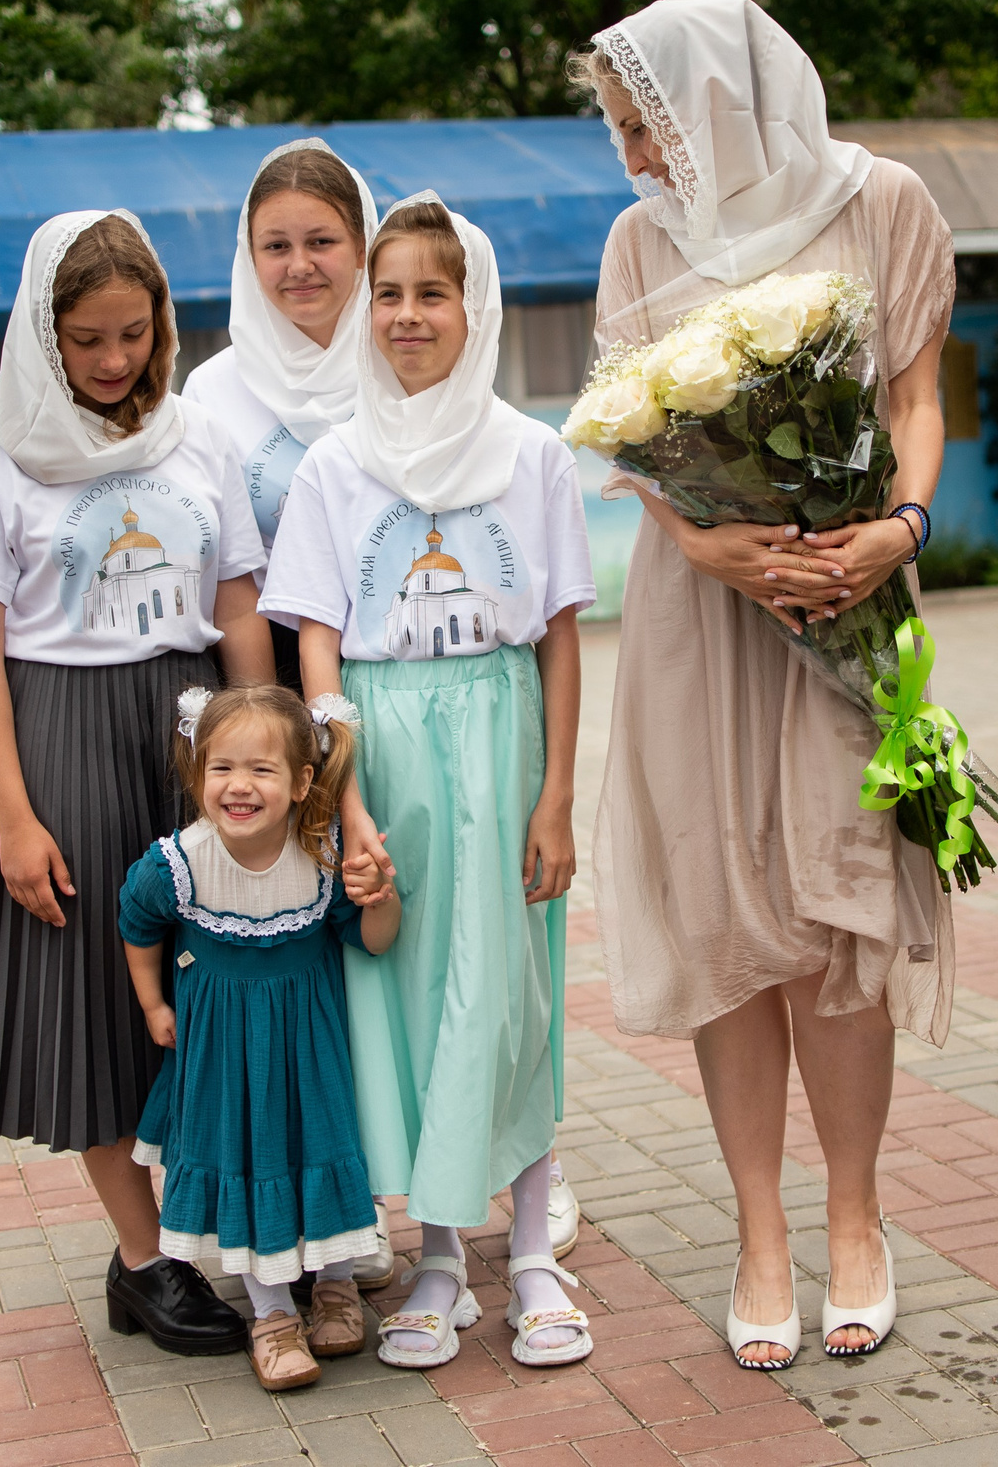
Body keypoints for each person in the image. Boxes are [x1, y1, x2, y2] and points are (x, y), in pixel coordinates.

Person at [579, 0, 951, 1368]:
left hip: (853, 601)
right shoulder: (637, 243)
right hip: (700, 610)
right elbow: (633, 436)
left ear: (716, 105)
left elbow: (917, 400)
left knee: (838, 907)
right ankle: (758, 1232)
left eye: (645, 128)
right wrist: (707, 541)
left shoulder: (884, 201)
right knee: (730, 913)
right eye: (619, 134)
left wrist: (896, 532)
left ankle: (857, 1220)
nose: (633, 161)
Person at [0, 210, 276, 1358]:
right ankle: (143, 1259)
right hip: (64, 732)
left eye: (135, 331)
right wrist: (17, 817)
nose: (116, 359)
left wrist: (273, 755)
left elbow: (237, 601)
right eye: (87, 339)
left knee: (228, 977)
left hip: (192, 729)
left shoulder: (195, 434)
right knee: (94, 994)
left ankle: (262, 1234)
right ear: (41, 334)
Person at [261, 194, 596, 1371]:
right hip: (386, 741)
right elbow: (315, 647)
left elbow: (556, 633)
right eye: (389, 292)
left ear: (475, 305)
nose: (408, 315)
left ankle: (537, 1252)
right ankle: (443, 1253)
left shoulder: (534, 453)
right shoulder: (335, 466)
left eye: (432, 292)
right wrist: (342, 801)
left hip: (497, 731)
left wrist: (555, 794)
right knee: (406, 1000)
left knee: (512, 985)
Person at [119, 684, 403, 1390]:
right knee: (243, 1161)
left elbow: (371, 943)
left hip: (310, 1051)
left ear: (304, 780)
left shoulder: (323, 858)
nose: (239, 786)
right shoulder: (178, 862)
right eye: (221, 768)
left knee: (324, 1148)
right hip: (223, 1059)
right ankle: (271, 1312)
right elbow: (136, 923)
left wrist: (383, 898)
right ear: (198, 771)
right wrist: (153, 1002)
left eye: (262, 770)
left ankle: (335, 1282)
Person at [183, 138, 380, 693]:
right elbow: (222, 569)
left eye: (321, 241)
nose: (300, 266)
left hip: (402, 643)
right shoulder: (211, 391)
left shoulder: (404, 367)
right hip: (267, 657)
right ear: (248, 257)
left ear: (364, 247)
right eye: (275, 246)